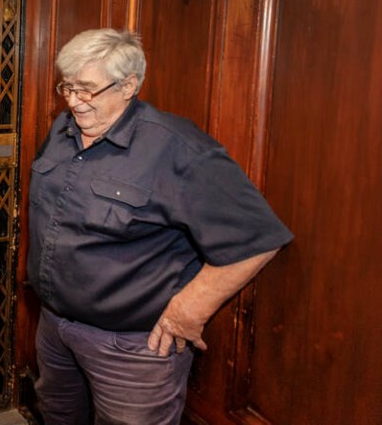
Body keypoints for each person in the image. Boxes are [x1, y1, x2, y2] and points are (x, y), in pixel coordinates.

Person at [27, 29, 293, 425]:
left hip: (130, 349)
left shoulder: (178, 149)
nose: (72, 101)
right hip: (55, 328)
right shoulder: (63, 130)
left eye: (87, 90)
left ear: (129, 85)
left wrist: (189, 308)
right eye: (66, 86)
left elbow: (258, 238)